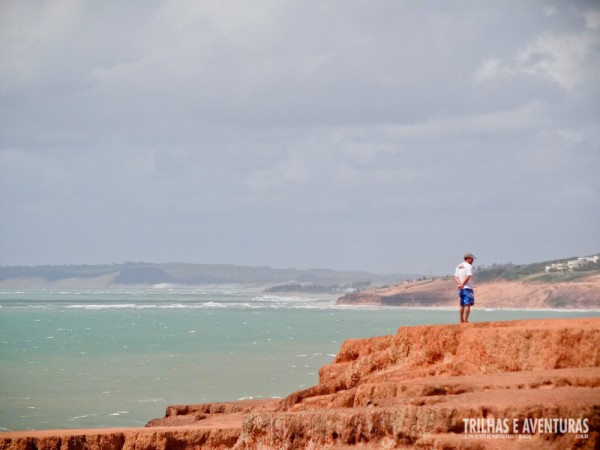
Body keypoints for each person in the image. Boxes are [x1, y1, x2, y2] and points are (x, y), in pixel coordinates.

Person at [455, 253, 476, 323]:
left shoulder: (458, 266)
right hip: (467, 288)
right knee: (468, 305)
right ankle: (466, 320)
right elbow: (468, 277)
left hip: (461, 289)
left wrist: (460, 284)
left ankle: (461, 319)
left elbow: (455, 278)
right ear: (468, 258)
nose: (473, 261)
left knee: (462, 305)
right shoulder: (468, 266)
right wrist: (463, 284)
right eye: (472, 259)